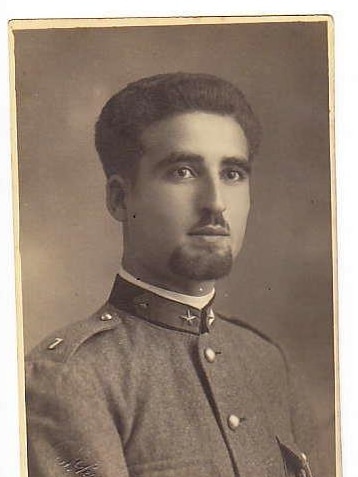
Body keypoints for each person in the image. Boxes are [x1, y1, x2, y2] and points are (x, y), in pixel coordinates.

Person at [25, 73, 316, 477]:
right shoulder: (70, 377)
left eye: (232, 173)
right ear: (119, 198)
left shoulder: (266, 361)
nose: (216, 203)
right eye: (183, 171)